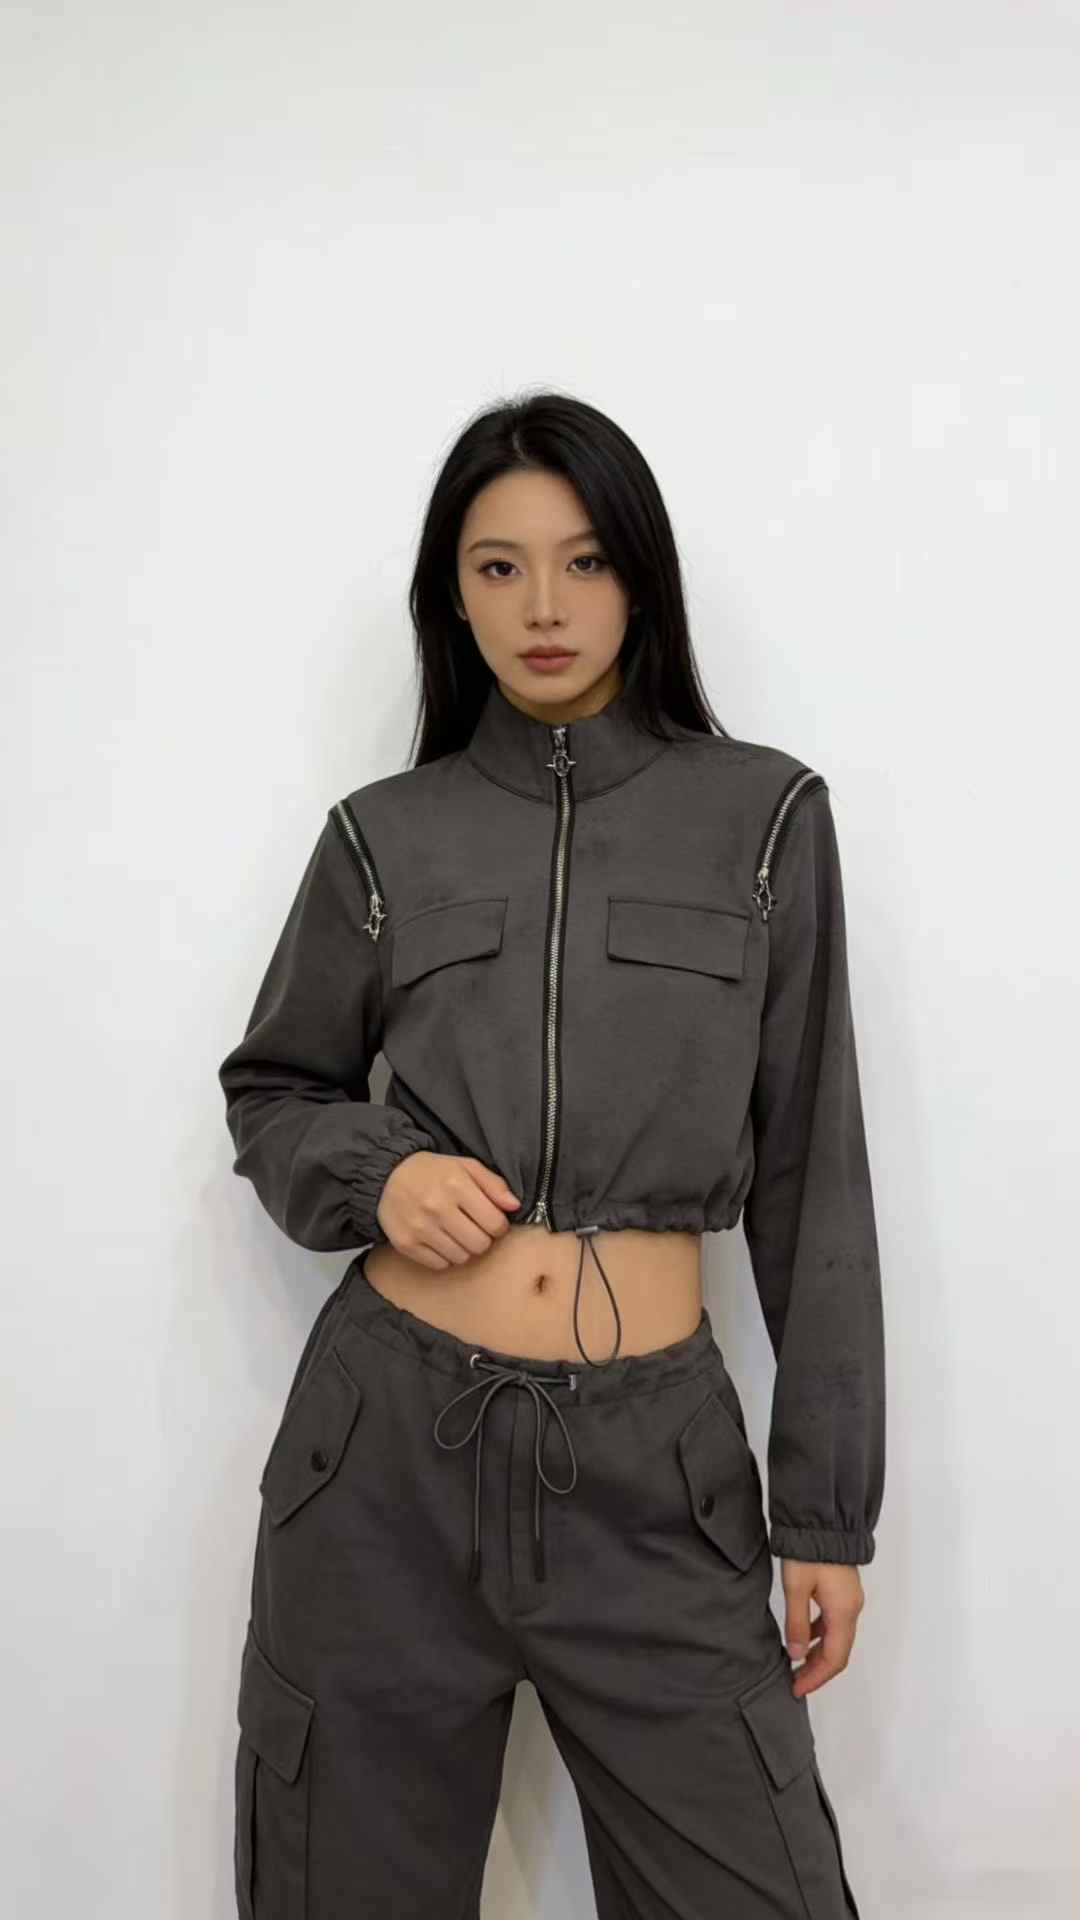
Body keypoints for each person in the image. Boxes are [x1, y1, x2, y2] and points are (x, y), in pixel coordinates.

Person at [219, 391, 884, 1919]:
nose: (544, 606)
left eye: (584, 561)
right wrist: (378, 1172)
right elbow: (275, 1090)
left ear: (640, 578)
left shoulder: (765, 820)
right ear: (450, 595)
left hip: (657, 1476)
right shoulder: (387, 836)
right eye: (499, 566)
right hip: (383, 1467)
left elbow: (814, 1179)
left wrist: (823, 1514)